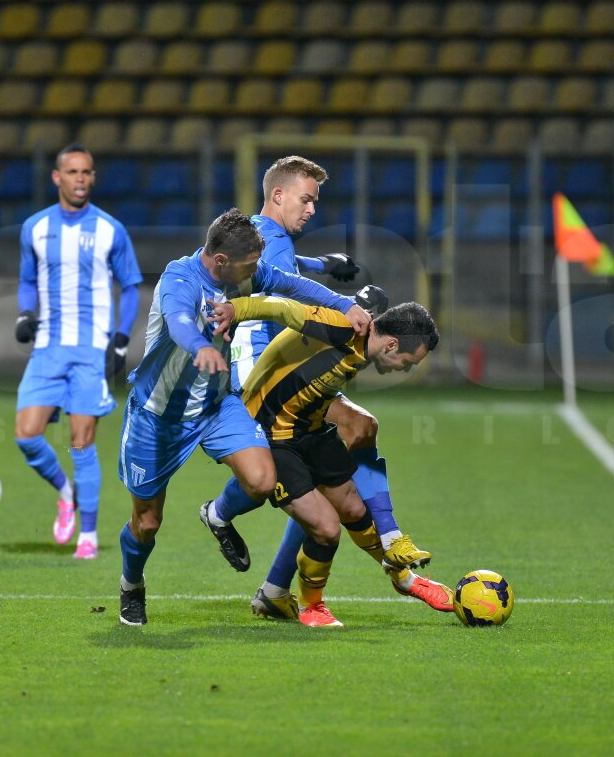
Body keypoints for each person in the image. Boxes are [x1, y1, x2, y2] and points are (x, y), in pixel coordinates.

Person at [116, 208, 371, 626]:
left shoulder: (244, 272)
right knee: (147, 522)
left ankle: (217, 515)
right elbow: (180, 321)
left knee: (261, 480)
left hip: (218, 406)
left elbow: (292, 284)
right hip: (159, 415)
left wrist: (346, 305)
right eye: (250, 264)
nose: (257, 271)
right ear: (220, 261)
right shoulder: (179, 280)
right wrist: (199, 345)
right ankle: (132, 584)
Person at [221, 156, 435, 619]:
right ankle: (389, 547)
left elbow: (282, 270)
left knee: (353, 436)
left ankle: (278, 587)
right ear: (278, 195)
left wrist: (323, 262)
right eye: (306, 199)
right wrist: (347, 303)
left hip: (269, 352)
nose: (312, 209)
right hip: (266, 359)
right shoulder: (268, 237)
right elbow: (282, 288)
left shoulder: (266, 236)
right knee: (353, 431)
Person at [203, 294, 449, 627]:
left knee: (353, 510)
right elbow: (281, 308)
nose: (407, 368)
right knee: (326, 528)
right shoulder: (338, 327)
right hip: (272, 433)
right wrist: (235, 310)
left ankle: (401, 575)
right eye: (410, 361)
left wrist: (390, 533)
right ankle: (311, 607)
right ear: (391, 346)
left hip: (310, 427)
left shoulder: (365, 342)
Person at [14, 143, 143, 560]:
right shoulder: (34, 227)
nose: (80, 179)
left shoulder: (110, 229)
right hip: (48, 348)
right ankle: (65, 491)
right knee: (26, 435)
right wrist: (24, 314)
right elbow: (28, 280)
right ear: (57, 177)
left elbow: (131, 286)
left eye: (87, 172)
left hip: (90, 351)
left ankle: (87, 535)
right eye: (72, 172)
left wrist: (121, 338)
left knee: (81, 443)